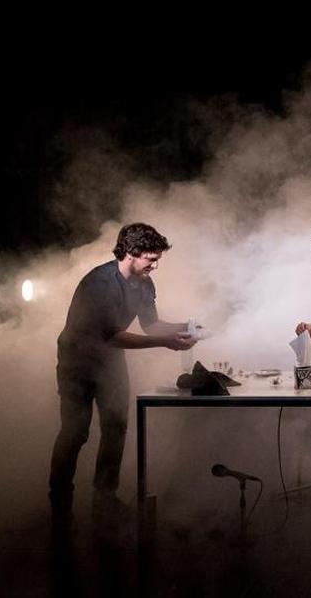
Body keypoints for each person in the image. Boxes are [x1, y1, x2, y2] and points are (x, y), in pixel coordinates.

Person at [49, 223, 197, 528]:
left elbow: (150, 325)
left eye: (157, 259)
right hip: (77, 362)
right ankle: (60, 503)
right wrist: (165, 343)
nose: (155, 266)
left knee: (116, 425)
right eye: (151, 259)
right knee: (76, 432)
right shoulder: (99, 284)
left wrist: (189, 327)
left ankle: (105, 498)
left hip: (109, 359)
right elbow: (111, 335)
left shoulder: (144, 284)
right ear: (130, 253)